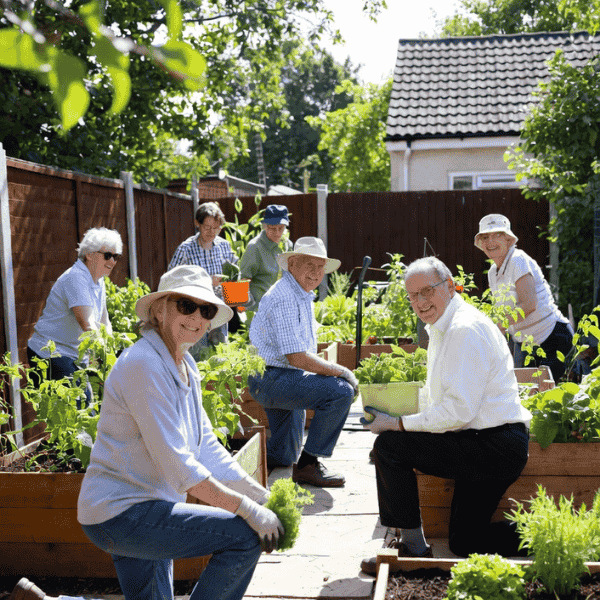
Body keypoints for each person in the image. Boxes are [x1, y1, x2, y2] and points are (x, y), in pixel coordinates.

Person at [77, 265, 284, 600]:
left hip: (148, 506)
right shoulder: (144, 365)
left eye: (205, 309)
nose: (196, 318)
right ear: (160, 309)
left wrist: (259, 495)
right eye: (186, 306)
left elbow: (206, 449)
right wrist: (247, 509)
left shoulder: (184, 366)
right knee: (243, 536)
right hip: (122, 513)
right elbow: (179, 466)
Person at [360, 256, 532, 572]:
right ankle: (543, 535)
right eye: (413, 295)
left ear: (450, 287)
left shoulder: (464, 329)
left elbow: (458, 411)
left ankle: (412, 548)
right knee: (466, 542)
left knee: (389, 447)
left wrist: (397, 424)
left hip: (494, 446)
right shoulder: (444, 326)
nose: (420, 301)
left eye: (428, 291)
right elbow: (440, 398)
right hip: (484, 442)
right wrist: (394, 409)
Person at [247, 236, 358, 487]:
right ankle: (309, 465)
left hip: (282, 375)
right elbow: (297, 357)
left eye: (320, 267)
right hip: (272, 377)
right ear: (292, 263)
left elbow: (298, 355)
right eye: (310, 265)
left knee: (284, 455)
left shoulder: (300, 293)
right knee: (341, 392)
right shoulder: (285, 296)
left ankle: (249, 462)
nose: (316, 273)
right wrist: (341, 371)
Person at [27, 227, 123, 405]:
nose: (113, 261)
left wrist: (113, 358)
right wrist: (105, 359)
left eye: (116, 256)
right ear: (89, 254)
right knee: (80, 408)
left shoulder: (98, 280)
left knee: (85, 410)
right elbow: (87, 324)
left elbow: (104, 321)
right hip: (51, 353)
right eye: (107, 255)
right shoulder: (76, 278)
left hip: (73, 354)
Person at [475, 213, 574, 382]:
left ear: (508, 240)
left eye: (497, 235)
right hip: (525, 343)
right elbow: (504, 314)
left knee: (548, 398)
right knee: (522, 396)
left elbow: (529, 304)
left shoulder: (518, 260)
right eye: (485, 237)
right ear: (481, 244)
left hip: (552, 338)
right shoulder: (493, 272)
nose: (490, 241)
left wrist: (495, 325)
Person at [168, 202, 238, 352]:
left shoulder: (224, 246)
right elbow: (170, 280)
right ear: (197, 223)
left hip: (219, 310)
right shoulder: (186, 249)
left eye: (216, 228)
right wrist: (207, 281)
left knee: (219, 353)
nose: (212, 232)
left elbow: (235, 275)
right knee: (197, 353)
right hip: (194, 311)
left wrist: (235, 293)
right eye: (207, 227)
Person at [239, 204, 293, 312]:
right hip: (258, 309)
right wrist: (242, 312)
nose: (277, 233)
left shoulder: (287, 245)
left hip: (281, 307)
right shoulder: (254, 247)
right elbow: (243, 281)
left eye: (281, 228)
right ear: (265, 226)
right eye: (272, 228)